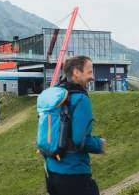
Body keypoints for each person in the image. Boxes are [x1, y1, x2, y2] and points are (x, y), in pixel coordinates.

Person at [45, 55, 106, 195]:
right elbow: (80, 140)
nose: (93, 77)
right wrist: (100, 144)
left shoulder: (56, 95)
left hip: (52, 172)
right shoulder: (80, 98)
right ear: (76, 72)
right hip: (73, 174)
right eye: (89, 72)